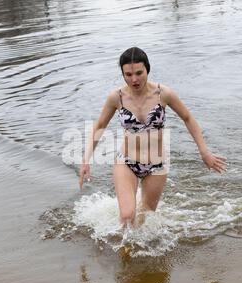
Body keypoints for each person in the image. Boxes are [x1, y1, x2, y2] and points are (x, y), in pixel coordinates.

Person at [79, 47, 227, 227]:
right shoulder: (116, 97)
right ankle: (124, 250)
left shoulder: (163, 94)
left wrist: (204, 152)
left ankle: (138, 253)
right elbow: (100, 126)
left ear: (147, 69)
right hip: (127, 162)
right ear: (123, 74)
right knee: (127, 215)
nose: (134, 79)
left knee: (145, 219)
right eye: (128, 74)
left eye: (139, 73)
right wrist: (86, 160)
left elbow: (188, 118)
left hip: (157, 165)